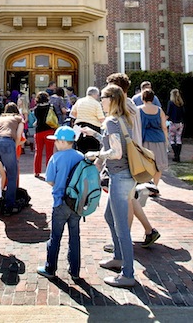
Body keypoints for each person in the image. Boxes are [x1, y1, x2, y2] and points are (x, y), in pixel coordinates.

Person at [84, 84, 137, 288]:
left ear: (111, 99)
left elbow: (115, 152)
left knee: (122, 226)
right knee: (109, 216)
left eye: (103, 98)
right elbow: (115, 143)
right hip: (126, 175)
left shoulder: (112, 121)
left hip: (120, 176)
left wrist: (96, 154)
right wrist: (96, 134)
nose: (100, 102)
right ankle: (117, 257)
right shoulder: (122, 120)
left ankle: (128, 273)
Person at [105, 73, 159, 248]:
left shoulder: (125, 107)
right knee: (129, 198)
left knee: (126, 201)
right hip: (131, 157)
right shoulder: (130, 105)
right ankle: (148, 231)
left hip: (127, 159)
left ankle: (123, 242)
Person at [37, 126, 85, 281]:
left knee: (55, 236)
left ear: (64, 142)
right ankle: (75, 271)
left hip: (60, 202)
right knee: (74, 237)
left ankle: (50, 268)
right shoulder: (81, 157)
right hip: (77, 203)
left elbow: (50, 180)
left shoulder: (56, 158)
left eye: (57, 140)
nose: (56, 143)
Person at [0, 103, 25, 216]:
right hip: (7, 141)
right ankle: (9, 204)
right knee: (12, 174)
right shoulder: (19, 118)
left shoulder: (1, 118)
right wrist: (14, 147)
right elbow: (19, 135)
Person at [139, 88, 169, 192]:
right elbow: (164, 127)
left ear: (142, 98)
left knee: (146, 164)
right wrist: (166, 139)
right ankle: (155, 186)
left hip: (145, 139)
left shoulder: (139, 110)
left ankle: (146, 186)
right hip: (159, 139)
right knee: (158, 164)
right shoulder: (160, 110)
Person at [70, 87, 105, 154]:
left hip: (79, 127)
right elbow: (101, 119)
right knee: (93, 151)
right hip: (93, 128)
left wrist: (81, 117)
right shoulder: (96, 104)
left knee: (80, 150)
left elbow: (72, 113)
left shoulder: (79, 101)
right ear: (95, 95)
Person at [33, 91, 56, 177]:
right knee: (49, 152)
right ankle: (49, 171)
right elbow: (55, 117)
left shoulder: (36, 109)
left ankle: (37, 171)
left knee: (38, 152)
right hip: (49, 131)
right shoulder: (51, 107)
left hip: (39, 131)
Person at [166, 88, 186, 162]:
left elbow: (168, 113)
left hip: (173, 122)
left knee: (171, 139)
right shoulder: (181, 103)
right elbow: (183, 113)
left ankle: (175, 155)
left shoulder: (170, 103)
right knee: (178, 139)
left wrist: (164, 120)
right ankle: (178, 155)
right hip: (180, 123)